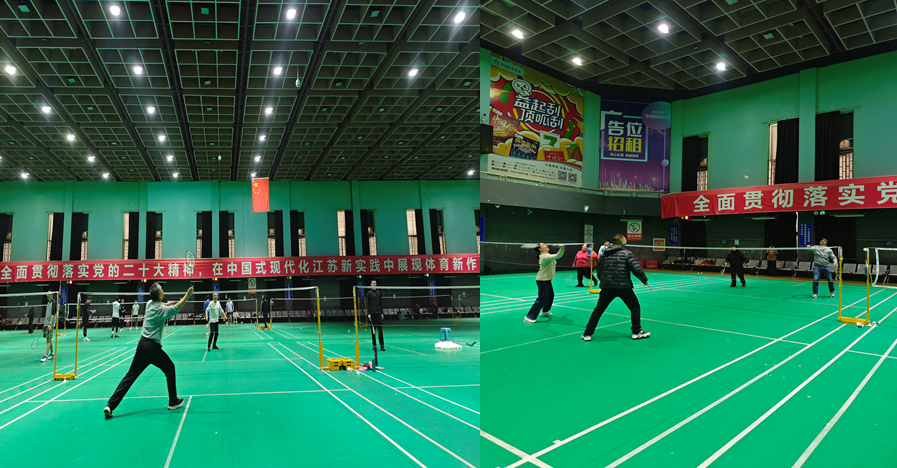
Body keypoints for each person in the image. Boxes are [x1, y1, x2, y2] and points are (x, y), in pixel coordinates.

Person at [103, 285, 194, 420]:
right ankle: (173, 401)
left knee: (130, 376)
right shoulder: (162, 310)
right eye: (162, 289)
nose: (163, 290)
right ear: (160, 296)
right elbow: (176, 308)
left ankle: (110, 405)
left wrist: (166, 303)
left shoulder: (149, 303)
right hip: (153, 348)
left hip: (142, 346)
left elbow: (163, 305)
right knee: (170, 368)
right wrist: (188, 295)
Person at [582, 234, 652, 341]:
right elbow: (636, 269)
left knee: (598, 310)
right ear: (622, 241)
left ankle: (587, 334)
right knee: (635, 307)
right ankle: (636, 332)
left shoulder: (604, 254)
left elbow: (599, 270)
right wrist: (645, 281)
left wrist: (604, 281)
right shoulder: (627, 253)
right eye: (624, 238)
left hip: (607, 288)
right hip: (624, 287)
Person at [524, 243, 565, 323]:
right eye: (543, 245)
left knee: (550, 296)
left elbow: (555, 256)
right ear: (540, 249)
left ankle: (545, 311)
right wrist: (562, 248)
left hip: (547, 280)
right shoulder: (544, 256)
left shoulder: (547, 255)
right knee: (542, 298)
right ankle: (529, 317)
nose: (546, 245)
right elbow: (558, 256)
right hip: (543, 280)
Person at [366, 281, 385, 351]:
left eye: (375, 284)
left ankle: (382, 345)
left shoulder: (379, 293)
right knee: (373, 331)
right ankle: (374, 345)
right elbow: (368, 304)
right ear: (371, 285)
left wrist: (382, 313)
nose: (374, 284)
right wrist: (369, 313)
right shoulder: (369, 293)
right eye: (373, 283)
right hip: (372, 314)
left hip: (378, 314)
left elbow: (381, 303)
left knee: (380, 330)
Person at [40, 292, 57, 362]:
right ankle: (52, 353)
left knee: (48, 339)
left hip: (50, 324)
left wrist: (50, 323)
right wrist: (45, 323)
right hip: (47, 323)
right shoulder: (48, 303)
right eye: (47, 294)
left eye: (49, 294)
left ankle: (46, 355)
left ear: (52, 295)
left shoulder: (54, 302)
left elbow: (53, 313)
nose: (47, 295)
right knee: (49, 339)